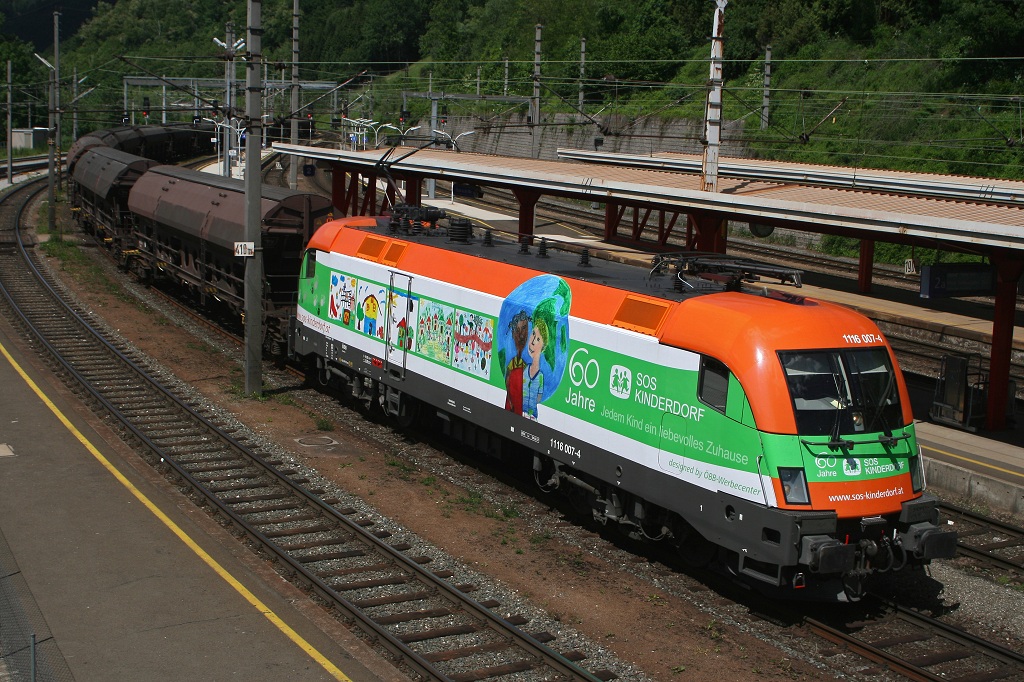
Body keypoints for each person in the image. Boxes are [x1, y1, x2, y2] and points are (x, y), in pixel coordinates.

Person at [523, 318, 548, 420]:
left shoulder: (540, 376)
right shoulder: (524, 369)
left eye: (538, 339)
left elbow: (539, 397)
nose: (532, 342)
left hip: (533, 416)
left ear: (543, 347)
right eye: (533, 334)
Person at [504, 311, 529, 413]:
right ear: (513, 335)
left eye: (524, 329)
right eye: (517, 331)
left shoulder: (527, 366)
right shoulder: (512, 364)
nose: (521, 336)